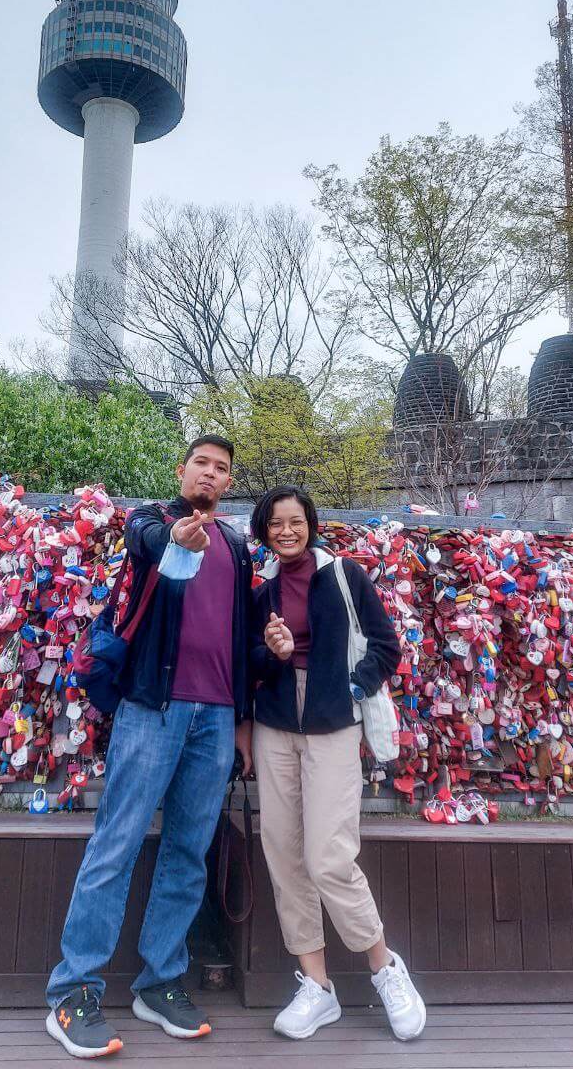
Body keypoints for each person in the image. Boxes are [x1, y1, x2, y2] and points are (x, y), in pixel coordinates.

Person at [45, 435, 254, 1059]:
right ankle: (72, 991)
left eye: (222, 469)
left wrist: (240, 717)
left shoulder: (237, 547)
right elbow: (148, 544)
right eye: (201, 464)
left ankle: (159, 982)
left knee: (189, 850)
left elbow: (239, 637)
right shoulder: (149, 521)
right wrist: (174, 542)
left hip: (216, 718)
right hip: (152, 709)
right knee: (117, 843)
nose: (210, 475)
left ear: (228, 481)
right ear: (181, 469)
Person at [247, 485, 426, 1042]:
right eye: (276, 523)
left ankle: (384, 968)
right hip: (275, 726)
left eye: (295, 521)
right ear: (264, 530)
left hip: (332, 725)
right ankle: (317, 987)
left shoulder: (345, 575)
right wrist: (270, 652)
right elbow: (248, 660)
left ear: (311, 524)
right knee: (284, 853)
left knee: (329, 857)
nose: (286, 531)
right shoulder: (262, 593)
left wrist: (353, 686)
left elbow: (385, 645)